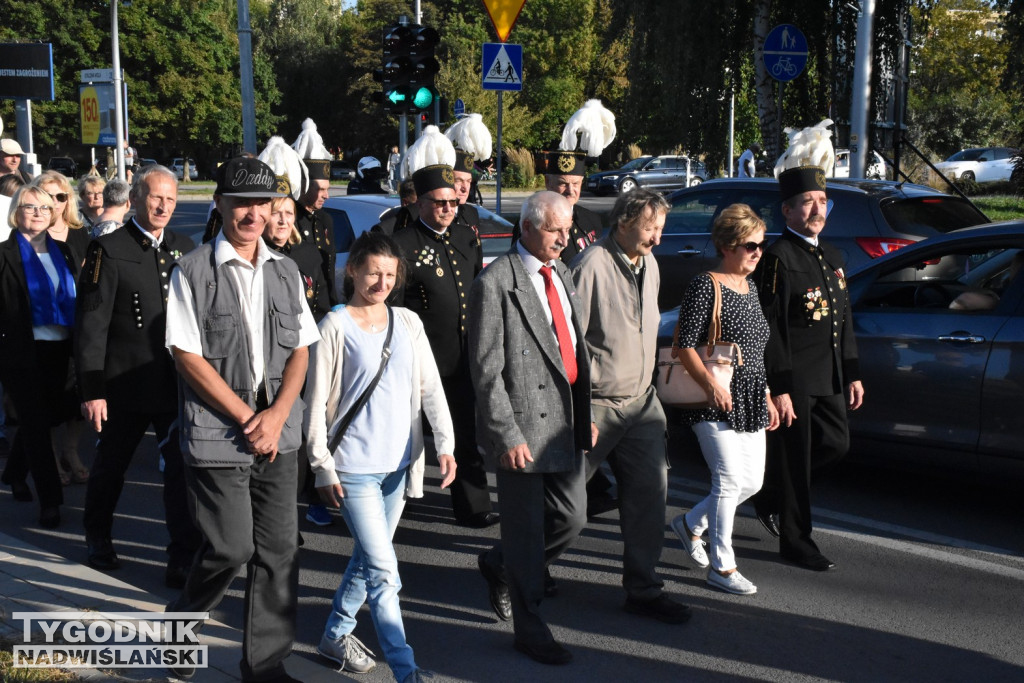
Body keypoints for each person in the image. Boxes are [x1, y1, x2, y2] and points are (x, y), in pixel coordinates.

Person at [164, 157, 318, 682]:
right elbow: (186, 356)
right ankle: (180, 625)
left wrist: (276, 416)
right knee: (231, 547)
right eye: (240, 204)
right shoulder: (192, 270)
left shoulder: (286, 269)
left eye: (260, 204)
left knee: (278, 552)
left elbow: (301, 350)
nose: (252, 214)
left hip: (278, 433)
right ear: (220, 205)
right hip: (218, 430)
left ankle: (266, 664)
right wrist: (251, 416)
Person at [305, 232, 456, 683]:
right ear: (352, 270)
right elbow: (314, 404)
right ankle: (407, 672)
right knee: (385, 573)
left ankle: (335, 634)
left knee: (370, 560)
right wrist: (321, 465)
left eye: (390, 274)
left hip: (399, 467)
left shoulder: (408, 322)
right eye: (373, 272)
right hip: (352, 469)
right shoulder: (334, 326)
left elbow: (431, 388)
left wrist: (445, 444)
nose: (382, 281)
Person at [469, 191, 596, 666]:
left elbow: (576, 353)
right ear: (526, 228)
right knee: (525, 536)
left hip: (564, 425)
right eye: (553, 230)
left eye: (567, 229)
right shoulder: (496, 282)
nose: (564, 239)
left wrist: (587, 417)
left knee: (572, 516)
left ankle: (498, 564)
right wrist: (506, 435)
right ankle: (531, 627)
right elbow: (486, 371)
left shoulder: (562, 274)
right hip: (521, 429)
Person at [570, 188, 691, 621]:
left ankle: (643, 589)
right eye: (649, 228)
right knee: (563, 504)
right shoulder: (590, 266)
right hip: (598, 406)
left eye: (661, 229)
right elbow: (568, 347)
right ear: (622, 222)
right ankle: (511, 567)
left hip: (642, 405)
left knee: (648, 500)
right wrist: (578, 410)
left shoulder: (650, 263)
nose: (657, 238)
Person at [76, 164, 200, 587]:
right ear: (136, 199)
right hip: (123, 383)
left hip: (173, 382)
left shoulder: (185, 247)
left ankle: (180, 556)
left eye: (170, 198)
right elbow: (91, 324)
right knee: (112, 466)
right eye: (155, 197)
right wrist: (92, 389)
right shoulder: (108, 249)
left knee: (180, 471)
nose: (163, 205)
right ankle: (98, 536)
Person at [752, 162, 865, 572]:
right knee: (795, 459)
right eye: (806, 203)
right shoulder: (778, 258)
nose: (816, 210)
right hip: (796, 378)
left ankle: (770, 496)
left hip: (830, 376)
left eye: (822, 201)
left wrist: (851, 372)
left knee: (836, 444)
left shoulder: (832, 256)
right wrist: (777, 385)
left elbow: (844, 319)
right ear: (787, 211)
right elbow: (771, 326)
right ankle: (796, 541)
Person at [669, 204, 781, 595]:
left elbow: (754, 350)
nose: (758, 253)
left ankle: (688, 525)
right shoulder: (706, 284)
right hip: (710, 397)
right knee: (729, 479)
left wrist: (766, 394)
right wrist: (711, 387)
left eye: (761, 246)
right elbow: (683, 346)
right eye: (751, 245)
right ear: (728, 246)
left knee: (751, 482)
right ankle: (723, 566)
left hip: (750, 396)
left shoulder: (750, 287)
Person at [389, 163, 496, 528]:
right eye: (439, 203)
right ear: (419, 203)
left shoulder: (467, 236)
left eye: (452, 202)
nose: (449, 209)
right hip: (421, 359)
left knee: (464, 432)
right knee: (408, 433)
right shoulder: (403, 244)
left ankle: (473, 504)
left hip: (463, 355)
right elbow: (395, 309)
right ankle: (398, 496)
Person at [0, 186, 78, 528]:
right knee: (35, 423)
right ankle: (51, 501)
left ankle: (14, 472)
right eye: (29, 207)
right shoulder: (3, 255)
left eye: (44, 208)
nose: (37, 213)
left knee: (47, 418)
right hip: (21, 351)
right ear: (16, 212)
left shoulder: (64, 250)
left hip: (60, 348)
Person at [263, 194, 331, 323]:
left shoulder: (309, 253)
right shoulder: (253, 256)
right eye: (275, 213)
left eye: (289, 213)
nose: (283, 220)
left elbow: (322, 307)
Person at [33, 171, 91, 266]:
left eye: (61, 196)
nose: (55, 201)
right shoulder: (30, 232)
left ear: (68, 200)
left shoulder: (80, 231)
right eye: (48, 196)